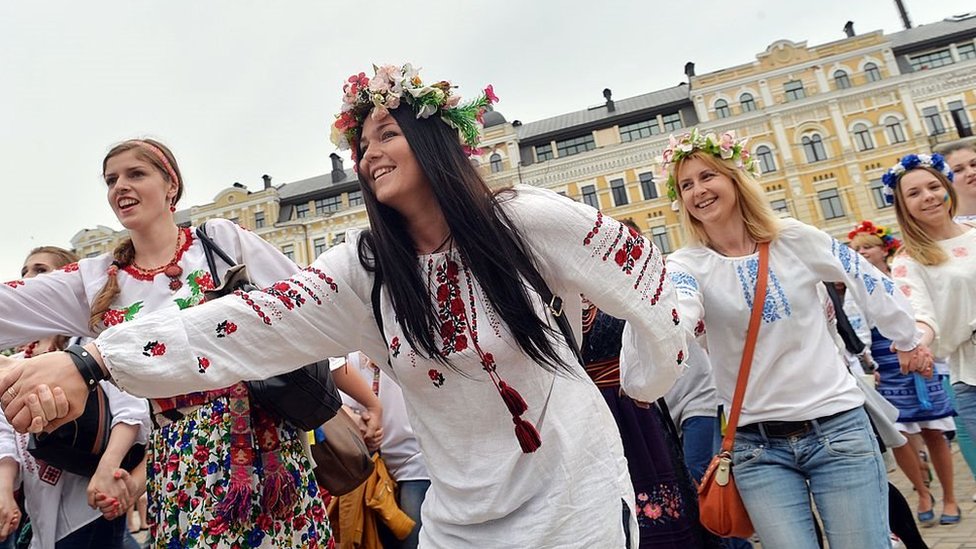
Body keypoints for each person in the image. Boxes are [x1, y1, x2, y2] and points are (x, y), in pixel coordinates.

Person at [0, 64, 686, 548]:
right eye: (362, 144)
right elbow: (241, 323)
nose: (370, 153)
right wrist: (91, 359)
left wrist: (646, 373)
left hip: (574, 508)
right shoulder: (364, 271)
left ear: (438, 139)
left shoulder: (527, 221)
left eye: (388, 132)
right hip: (460, 524)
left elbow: (654, 282)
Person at [0, 139, 331, 547]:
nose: (120, 186)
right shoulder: (96, 278)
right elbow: (7, 306)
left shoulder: (220, 240)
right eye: (111, 179)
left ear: (171, 185)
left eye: (135, 174)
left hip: (259, 446)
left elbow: (311, 303)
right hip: (177, 457)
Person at [661, 129, 931, 549]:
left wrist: (907, 337)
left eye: (707, 176)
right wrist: (660, 350)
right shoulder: (685, 264)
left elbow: (863, 276)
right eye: (686, 185)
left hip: (837, 428)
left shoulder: (793, 237)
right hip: (754, 446)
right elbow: (679, 308)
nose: (698, 190)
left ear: (734, 178)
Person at [0, 246, 150, 549]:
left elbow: (130, 408)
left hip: (89, 504)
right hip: (39, 509)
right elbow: (4, 432)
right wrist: (4, 490)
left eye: (41, 271)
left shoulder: (91, 345)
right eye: (25, 272)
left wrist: (108, 469)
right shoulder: (16, 360)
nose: (29, 278)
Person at [885, 152, 976, 525]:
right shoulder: (909, 261)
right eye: (914, 193)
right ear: (903, 206)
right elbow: (920, 314)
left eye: (934, 186)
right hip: (971, 374)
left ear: (947, 189)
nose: (928, 197)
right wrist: (916, 342)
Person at [580, 293, 711, 549]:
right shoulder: (548, 291)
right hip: (589, 418)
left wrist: (646, 382)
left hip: (635, 411)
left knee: (663, 500)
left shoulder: (622, 282)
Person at [849, 220, 958, 526]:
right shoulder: (856, 285)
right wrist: (870, 366)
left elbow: (926, 315)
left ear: (884, 249)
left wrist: (930, 355)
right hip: (887, 365)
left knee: (934, 431)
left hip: (921, 358)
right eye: (857, 249)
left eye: (868, 247)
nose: (862, 253)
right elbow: (858, 329)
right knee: (901, 434)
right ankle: (923, 491)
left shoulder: (903, 275)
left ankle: (950, 498)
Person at [334, 352, 428, 549]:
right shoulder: (352, 359)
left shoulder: (406, 357)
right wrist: (358, 421)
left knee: (412, 539)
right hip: (372, 468)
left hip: (414, 463)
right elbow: (338, 402)